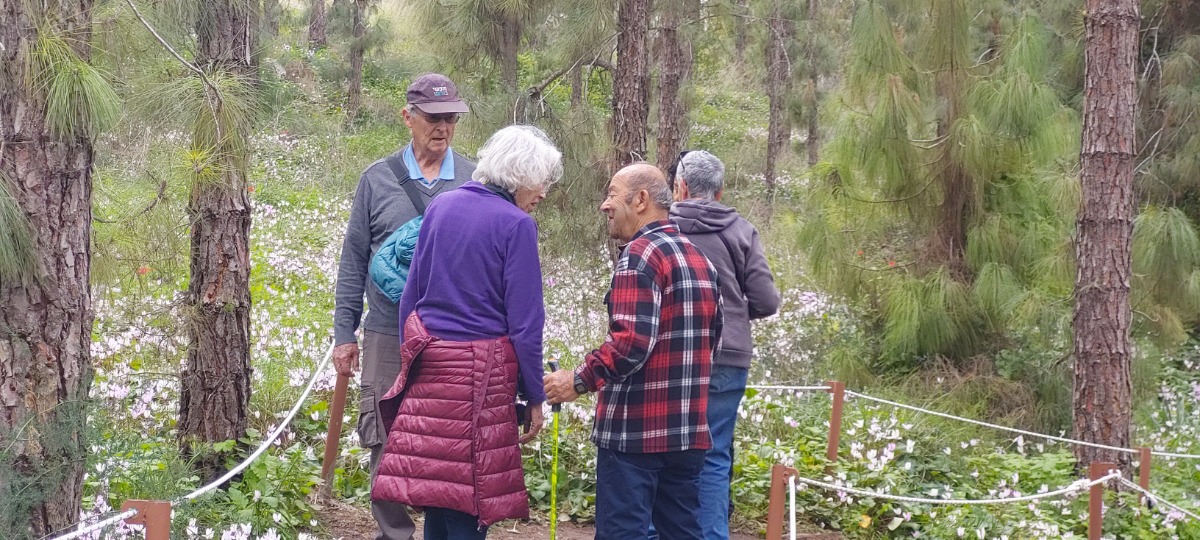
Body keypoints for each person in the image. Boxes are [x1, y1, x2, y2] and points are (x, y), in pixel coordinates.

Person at [371, 125, 561, 540]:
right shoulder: (517, 226)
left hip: (432, 366)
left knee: (439, 491)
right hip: (481, 375)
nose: (543, 192)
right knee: (472, 502)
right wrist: (534, 396)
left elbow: (410, 298)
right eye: (541, 180)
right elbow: (526, 325)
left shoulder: (442, 206)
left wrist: (414, 360)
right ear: (520, 175)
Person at [543, 163, 723, 540]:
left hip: (634, 435)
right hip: (688, 434)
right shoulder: (699, 258)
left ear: (640, 200)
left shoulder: (640, 255)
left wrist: (576, 381)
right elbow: (715, 340)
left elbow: (629, 344)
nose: (604, 205)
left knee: (621, 533)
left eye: (611, 194)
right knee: (682, 532)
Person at [332, 73, 473, 540]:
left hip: (452, 336)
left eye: (450, 118)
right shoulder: (376, 179)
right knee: (383, 435)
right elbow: (354, 260)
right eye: (433, 118)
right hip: (387, 331)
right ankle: (393, 534)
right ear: (407, 117)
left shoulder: (475, 180)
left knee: (443, 441)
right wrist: (344, 334)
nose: (443, 127)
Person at [670, 150, 781, 539]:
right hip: (728, 357)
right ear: (720, 191)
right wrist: (731, 314)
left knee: (664, 453)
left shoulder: (663, 228)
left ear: (679, 187)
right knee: (714, 456)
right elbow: (766, 300)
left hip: (671, 358)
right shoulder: (741, 230)